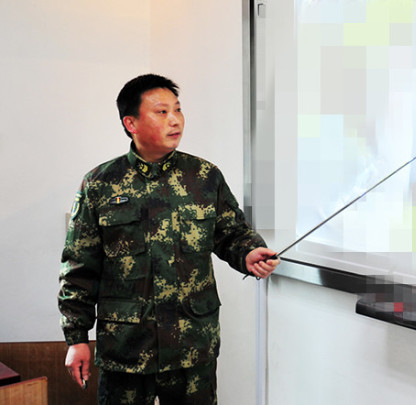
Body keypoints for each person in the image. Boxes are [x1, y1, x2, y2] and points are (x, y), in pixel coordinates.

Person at [58, 73, 279, 404]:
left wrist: (248, 252)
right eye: (162, 112)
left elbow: (231, 233)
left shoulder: (204, 177)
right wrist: (76, 338)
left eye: (177, 109)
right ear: (131, 123)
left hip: (191, 346)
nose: (175, 120)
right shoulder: (100, 184)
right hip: (127, 348)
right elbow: (79, 267)